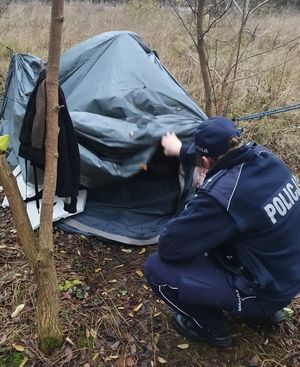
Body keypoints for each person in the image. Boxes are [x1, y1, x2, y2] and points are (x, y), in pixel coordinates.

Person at [145, 116, 300, 350]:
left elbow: (170, 245)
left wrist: (198, 198)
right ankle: (266, 314)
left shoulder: (223, 196)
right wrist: (181, 151)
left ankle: (211, 329)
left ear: (205, 161)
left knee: (157, 268)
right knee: (246, 235)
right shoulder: (267, 159)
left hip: (265, 291)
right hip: (287, 278)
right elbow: (219, 160)